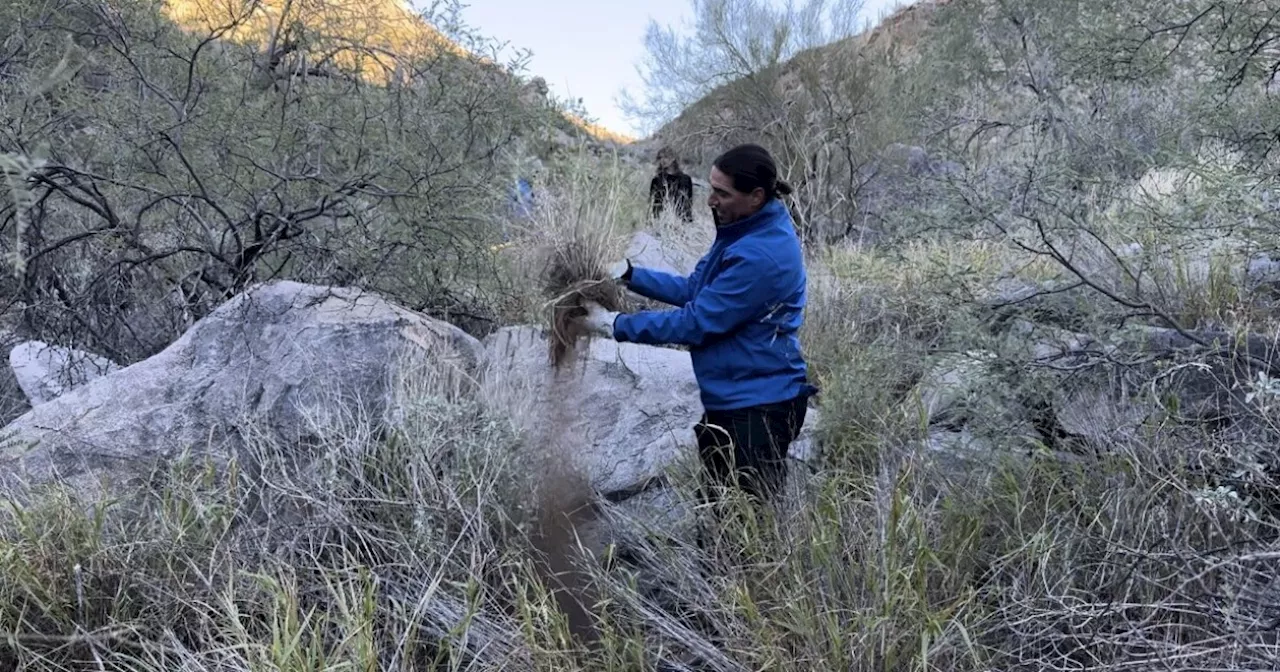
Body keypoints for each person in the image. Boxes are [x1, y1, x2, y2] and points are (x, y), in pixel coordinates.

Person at [583, 143, 816, 509]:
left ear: (756, 196)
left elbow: (696, 322)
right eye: (711, 188)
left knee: (742, 534)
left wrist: (615, 324)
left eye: (722, 193)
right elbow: (697, 290)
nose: (710, 201)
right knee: (720, 518)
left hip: (758, 409)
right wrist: (630, 275)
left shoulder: (761, 254)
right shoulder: (742, 231)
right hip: (739, 398)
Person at [649, 147, 694, 223]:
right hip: (661, 222)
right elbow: (653, 204)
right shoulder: (657, 180)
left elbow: (688, 202)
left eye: (666, 157)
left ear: (673, 158)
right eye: (660, 157)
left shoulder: (685, 179)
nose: (662, 160)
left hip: (682, 222)